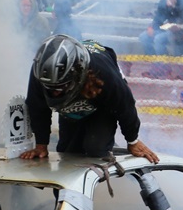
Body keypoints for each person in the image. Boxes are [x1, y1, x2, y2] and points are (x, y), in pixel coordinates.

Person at [22, 34, 159, 161]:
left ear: (76, 73)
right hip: (70, 106)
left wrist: (132, 140)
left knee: (95, 148)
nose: (54, 93)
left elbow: (125, 106)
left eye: (59, 87)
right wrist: (41, 144)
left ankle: (108, 157)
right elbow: (37, 107)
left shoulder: (103, 73)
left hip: (101, 103)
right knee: (68, 153)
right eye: (49, 88)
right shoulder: (40, 72)